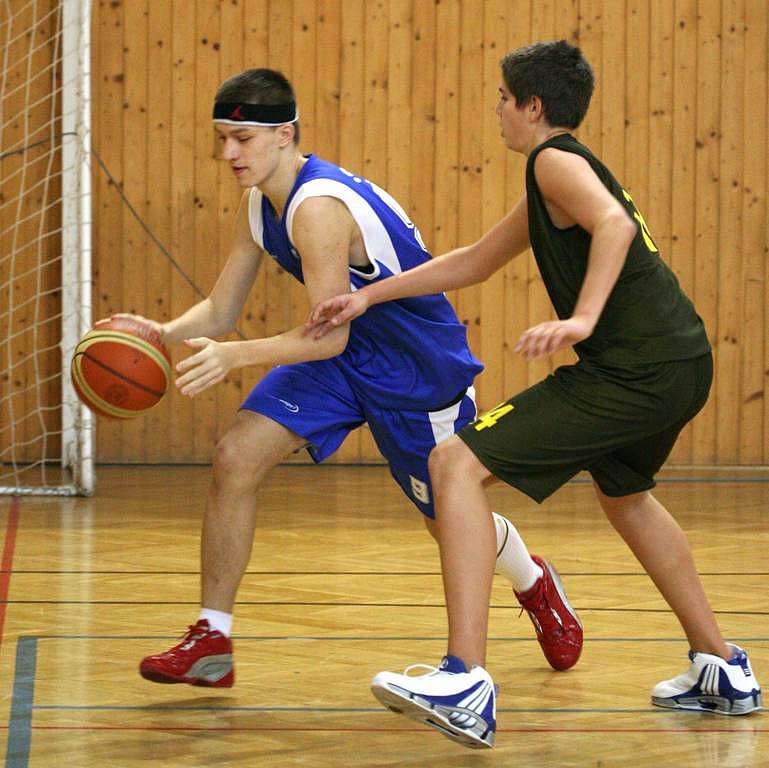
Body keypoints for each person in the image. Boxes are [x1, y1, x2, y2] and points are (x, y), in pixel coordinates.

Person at [307, 41, 762, 750]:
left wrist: (580, 319)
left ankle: (464, 679)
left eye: (502, 97)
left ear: (533, 106)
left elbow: (610, 225)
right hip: (680, 361)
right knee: (627, 497)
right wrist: (367, 297)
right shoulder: (550, 176)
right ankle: (721, 668)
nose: (496, 107)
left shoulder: (554, 160)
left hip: (632, 368)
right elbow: (474, 261)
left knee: (453, 464)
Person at [123, 68, 583, 692]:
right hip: (340, 361)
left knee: (447, 517)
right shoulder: (261, 202)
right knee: (235, 456)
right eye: (223, 138)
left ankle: (533, 581)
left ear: (284, 134)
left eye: (243, 138)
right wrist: (162, 331)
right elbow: (223, 310)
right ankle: (212, 638)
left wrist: (235, 357)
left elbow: (328, 332)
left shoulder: (317, 209)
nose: (229, 153)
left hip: (414, 367)